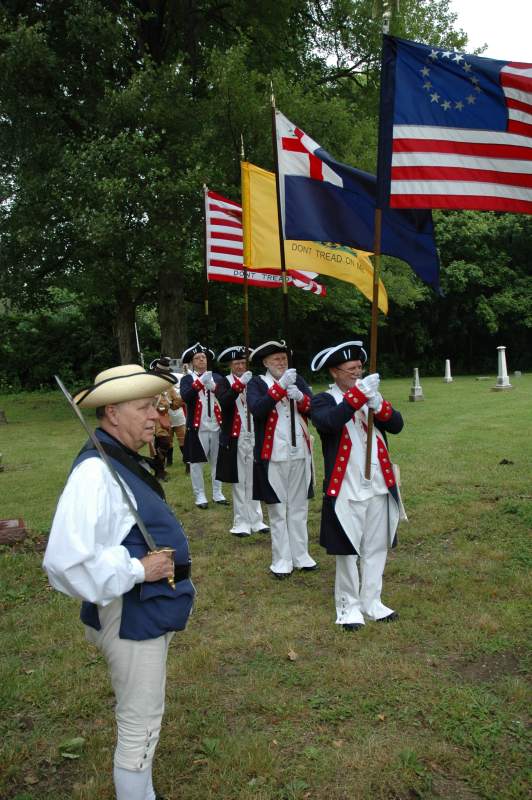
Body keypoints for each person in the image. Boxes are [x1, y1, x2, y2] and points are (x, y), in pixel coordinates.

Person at [43, 364, 195, 800]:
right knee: (139, 722)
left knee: (143, 716)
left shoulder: (118, 456)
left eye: (156, 405)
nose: (156, 416)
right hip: (131, 615)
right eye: (145, 406)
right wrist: (137, 569)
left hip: (142, 610)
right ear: (111, 412)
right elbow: (66, 561)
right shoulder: (95, 472)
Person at [310, 341, 404, 631]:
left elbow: (397, 425)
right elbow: (328, 423)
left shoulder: (369, 395)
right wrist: (356, 397)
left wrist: (378, 404)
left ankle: (372, 601)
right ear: (335, 372)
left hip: (378, 483)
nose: (357, 372)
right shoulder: (323, 400)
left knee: (376, 547)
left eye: (359, 367)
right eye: (350, 369)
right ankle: (348, 606)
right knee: (348, 550)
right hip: (347, 488)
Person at [247, 340, 317, 578]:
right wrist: (278, 389)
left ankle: (301, 555)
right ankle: (281, 560)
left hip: (300, 452)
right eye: (276, 359)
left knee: (299, 507)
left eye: (284, 358)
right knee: (278, 509)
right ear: (266, 362)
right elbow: (257, 409)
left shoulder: (298, 379)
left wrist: (300, 396)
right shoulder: (257, 384)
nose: (281, 362)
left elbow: (314, 408)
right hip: (273, 454)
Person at [215, 345, 269, 537]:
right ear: (231, 364)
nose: (240, 366)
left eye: (243, 362)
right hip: (235, 437)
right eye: (236, 363)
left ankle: (257, 519)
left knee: (254, 478)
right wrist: (238, 386)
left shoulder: (255, 382)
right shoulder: (224, 382)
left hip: (255, 434)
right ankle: (241, 522)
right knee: (239, 482)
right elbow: (225, 401)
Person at [179, 342, 227, 509]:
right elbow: (185, 396)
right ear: (192, 362)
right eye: (197, 358)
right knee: (196, 463)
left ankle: (217, 492)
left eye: (203, 357)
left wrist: (213, 387)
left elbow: (226, 398)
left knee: (217, 461)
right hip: (198, 427)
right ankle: (199, 495)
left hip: (216, 425)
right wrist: (199, 383)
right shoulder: (187, 379)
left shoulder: (218, 378)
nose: (201, 360)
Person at [149, 358, 183, 480]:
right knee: (159, 443)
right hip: (151, 417)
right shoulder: (149, 384)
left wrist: (177, 401)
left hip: (163, 418)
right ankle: (159, 471)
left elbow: (176, 402)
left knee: (163, 443)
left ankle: (160, 471)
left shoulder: (168, 386)